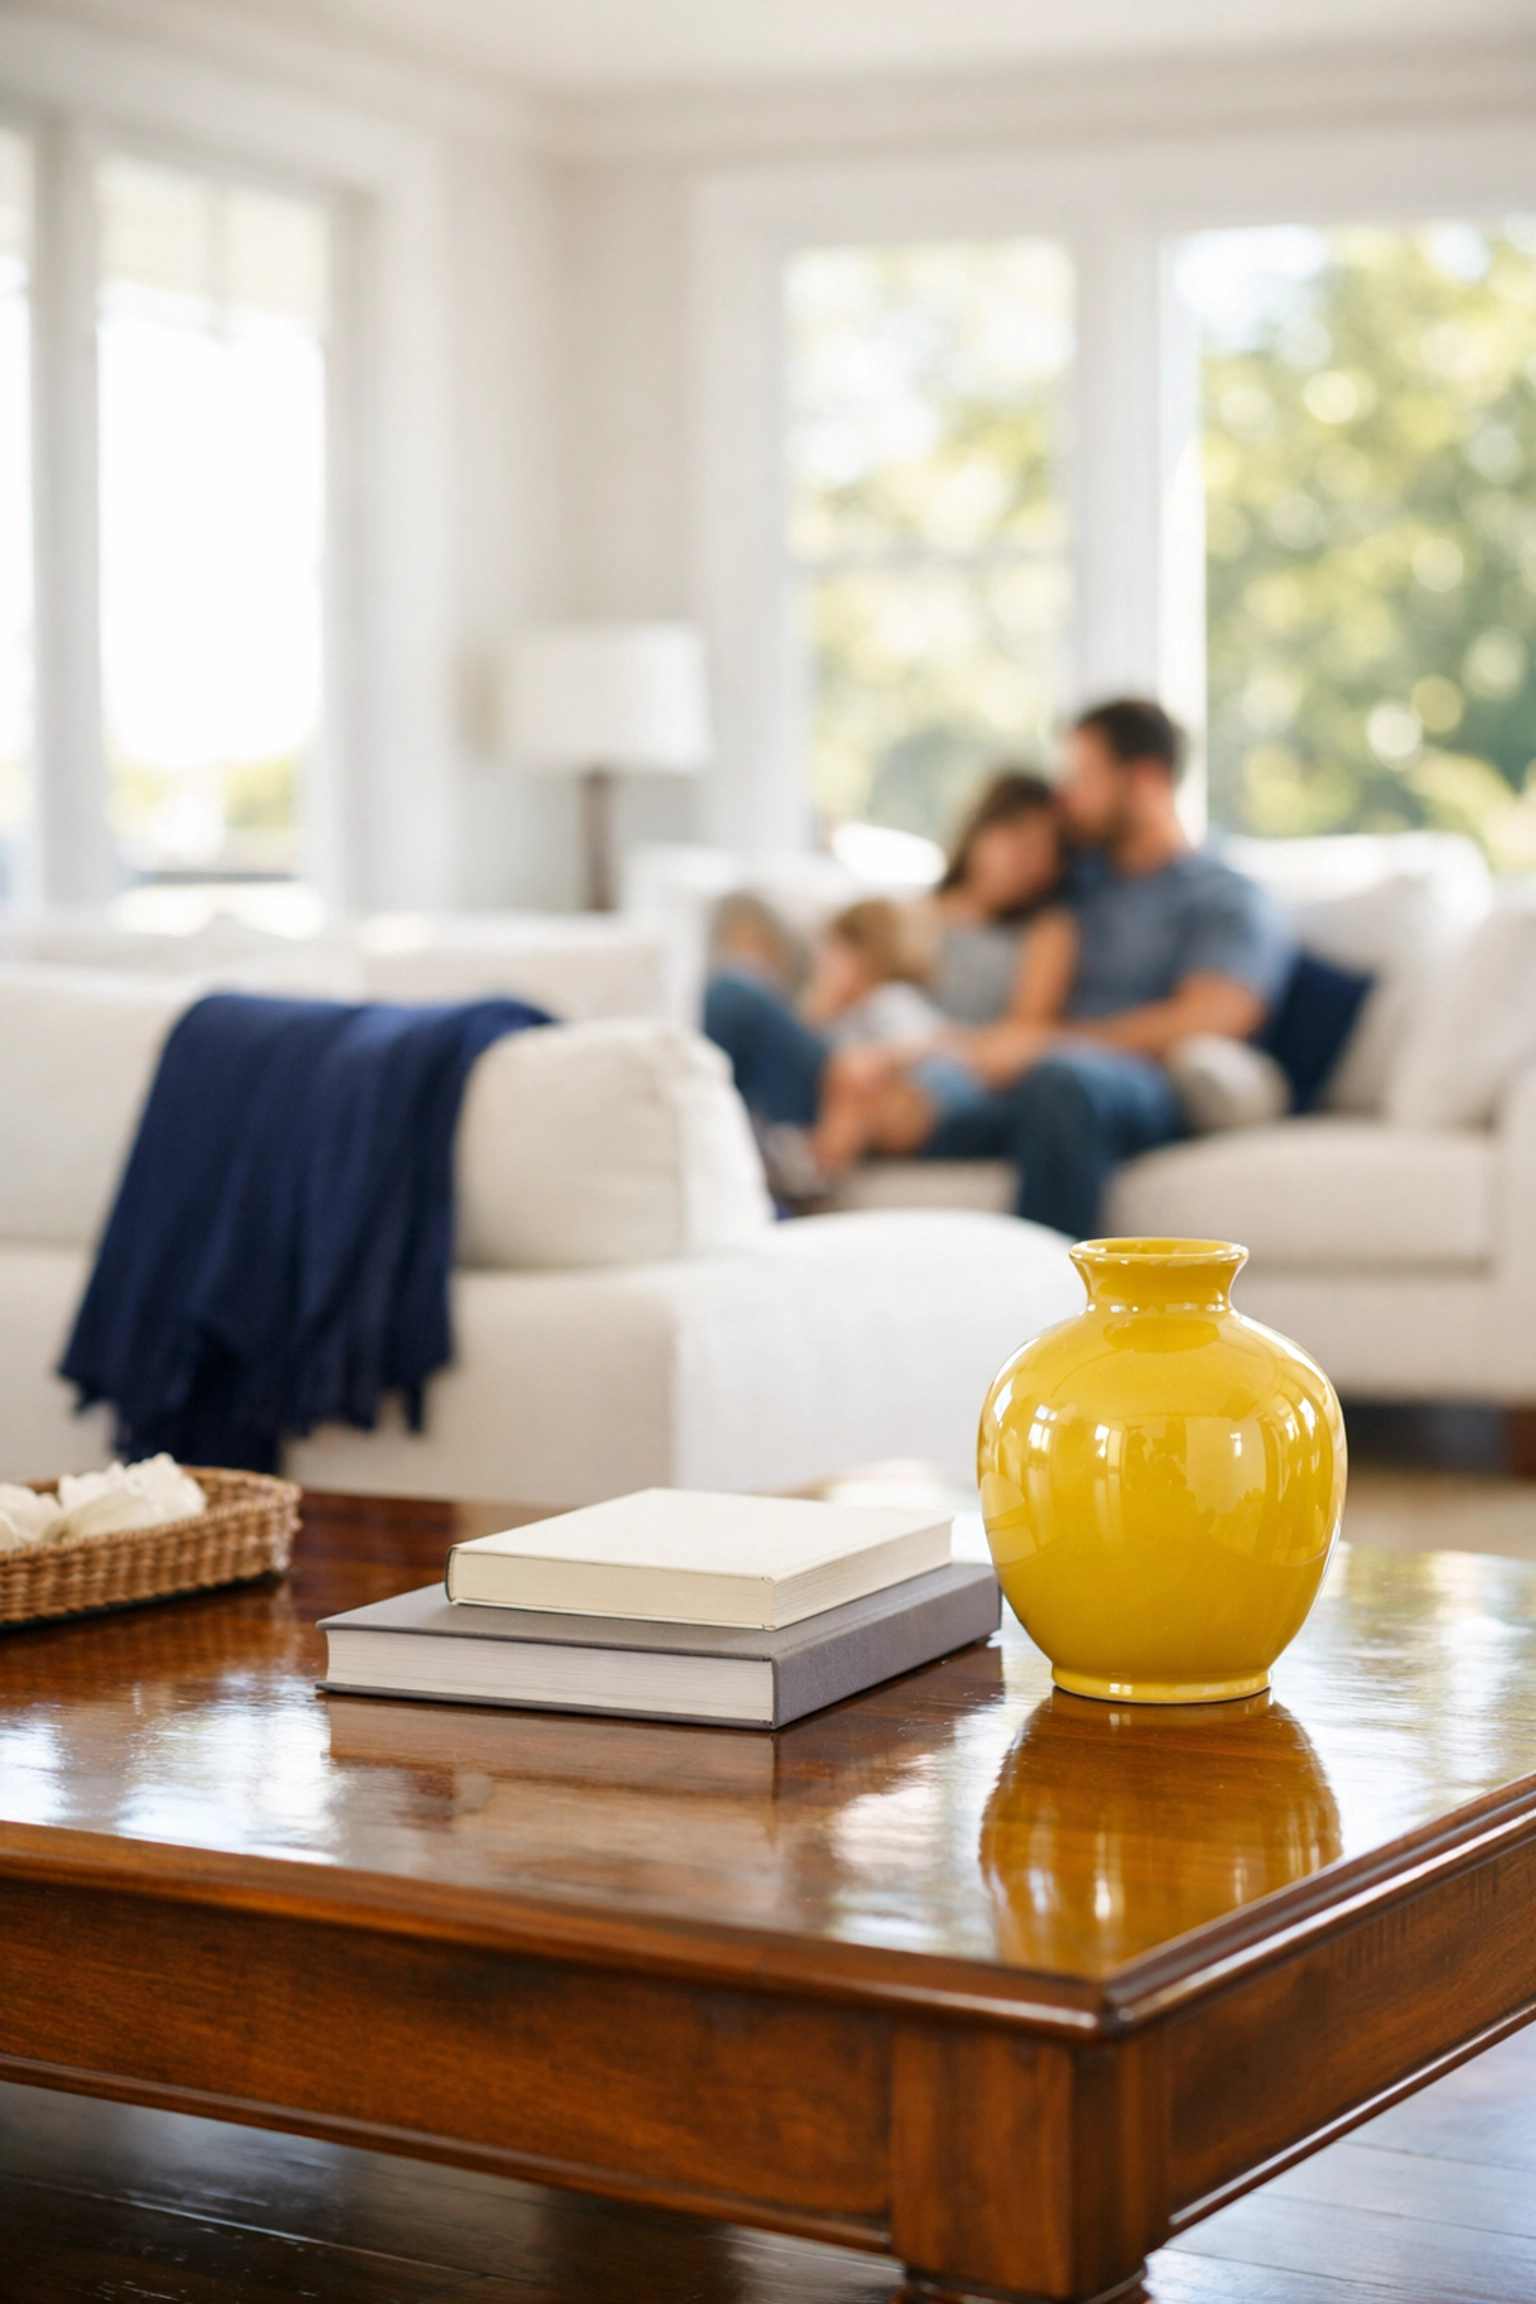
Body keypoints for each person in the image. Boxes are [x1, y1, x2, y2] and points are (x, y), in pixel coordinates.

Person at [915, 699, 1293, 1237]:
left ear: (1145, 779)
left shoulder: (1221, 896)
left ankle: (1048, 1309)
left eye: (1084, 778)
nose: (1065, 798)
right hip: (1027, 1079)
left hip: (1141, 1088)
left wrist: (1051, 1042)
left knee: (1064, 1080)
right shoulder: (1068, 883)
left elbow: (1216, 1016)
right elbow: (968, 907)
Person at [703, 771, 1065, 1188]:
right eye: (1016, 838)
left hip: (941, 1067)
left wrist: (897, 1057)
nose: (1024, 860)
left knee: (901, 1084)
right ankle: (725, 1163)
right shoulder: (910, 914)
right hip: (848, 1055)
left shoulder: (1043, 931)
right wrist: (835, 997)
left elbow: (1022, 1037)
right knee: (734, 992)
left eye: (1043, 850)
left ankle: (807, 1166)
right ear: (982, 829)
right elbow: (834, 1012)